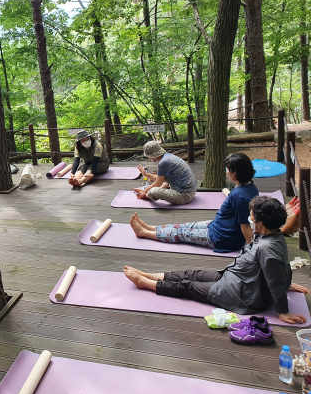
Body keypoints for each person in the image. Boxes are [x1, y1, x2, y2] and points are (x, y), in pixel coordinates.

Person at [123, 196, 309, 329]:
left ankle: (145, 283)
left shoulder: (267, 248)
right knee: (192, 274)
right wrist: (286, 283)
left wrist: (282, 310)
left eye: (252, 217)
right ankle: (148, 275)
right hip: (234, 276)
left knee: (188, 287)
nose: (249, 219)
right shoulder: (271, 234)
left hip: (240, 294)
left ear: (261, 222)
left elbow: (275, 278)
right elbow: (279, 270)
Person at [130, 153, 258, 253]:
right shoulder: (251, 187)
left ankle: (144, 233)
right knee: (185, 226)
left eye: (228, 169)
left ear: (236, 173)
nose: (226, 171)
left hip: (222, 237)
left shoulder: (239, 196)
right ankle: (150, 228)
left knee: (182, 234)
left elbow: (245, 226)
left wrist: (253, 252)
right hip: (219, 226)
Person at [134, 141, 197, 205]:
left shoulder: (164, 163)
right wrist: (145, 174)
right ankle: (147, 193)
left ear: (153, 155)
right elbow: (160, 178)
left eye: (148, 156)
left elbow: (158, 183)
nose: (148, 158)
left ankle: (146, 195)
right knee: (164, 183)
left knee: (153, 191)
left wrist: (144, 191)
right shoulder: (168, 157)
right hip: (191, 191)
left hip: (184, 195)